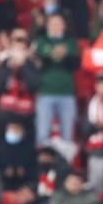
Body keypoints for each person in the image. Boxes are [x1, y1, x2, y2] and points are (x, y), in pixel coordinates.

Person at [33, 13, 79, 144]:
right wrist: (58, 53)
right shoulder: (41, 40)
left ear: (64, 26)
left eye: (58, 23)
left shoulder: (70, 41)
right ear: (47, 25)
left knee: (68, 135)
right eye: (53, 23)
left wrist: (53, 53)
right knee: (42, 134)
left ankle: (65, 163)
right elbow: (40, 59)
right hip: (45, 92)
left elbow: (75, 62)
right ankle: (43, 162)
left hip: (67, 93)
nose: (55, 26)